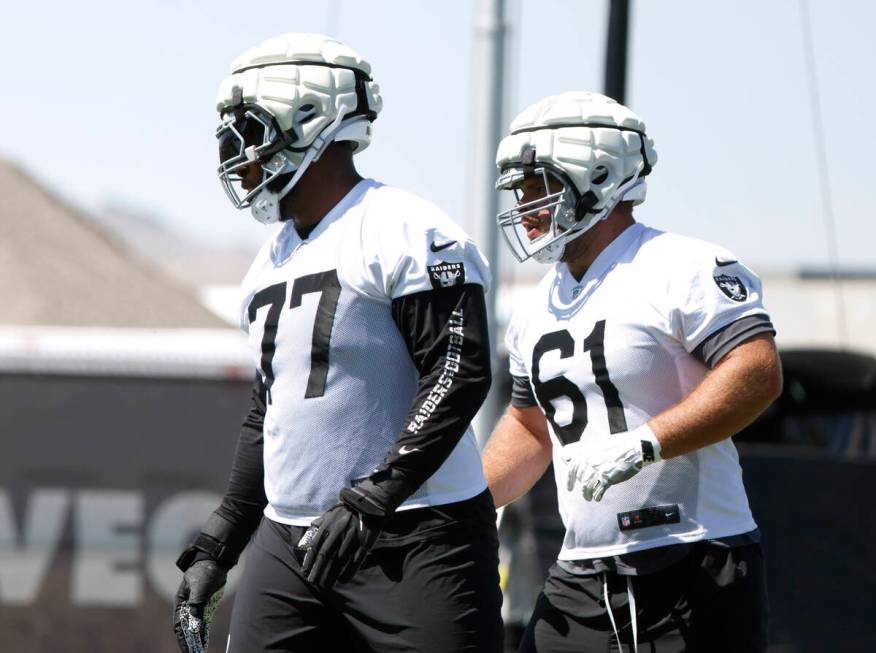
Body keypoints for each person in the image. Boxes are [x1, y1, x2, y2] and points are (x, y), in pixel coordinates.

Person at [172, 33, 503, 653]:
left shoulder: (405, 228)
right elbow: (269, 412)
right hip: (290, 541)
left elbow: (459, 369)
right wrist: (222, 539)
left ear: (309, 122)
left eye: (248, 132)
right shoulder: (269, 261)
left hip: (416, 536)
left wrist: (374, 496)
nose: (235, 155)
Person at [482, 92, 781, 652]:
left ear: (595, 175)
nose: (523, 205)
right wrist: (471, 503)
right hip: (580, 573)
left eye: (535, 184)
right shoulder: (533, 305)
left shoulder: (682, 265)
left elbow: (756, 371)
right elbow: (529, 428)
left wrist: (647, 442)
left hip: (695, 558)